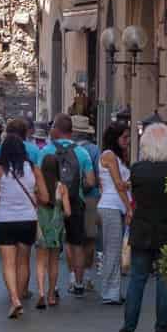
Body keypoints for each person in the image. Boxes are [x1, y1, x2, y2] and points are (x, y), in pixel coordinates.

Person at [120, 121, 167, 332]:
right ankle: (161, 328)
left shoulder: (137, 170)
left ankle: (129, 327)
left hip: (142, 230)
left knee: (137, 280)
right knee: (165, 281)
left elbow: (133, 196)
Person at [0, 133, 39, 317]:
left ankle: (14, 299)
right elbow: (40, 193)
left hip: (6, 219)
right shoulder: (32, 168)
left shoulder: (0, 171)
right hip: (28, 219)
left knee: (8, 263)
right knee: (24, 261)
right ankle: (21, 292)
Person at [48, 115, 99, 296]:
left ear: (56, 129)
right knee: (76, 243)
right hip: (76, 202)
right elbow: (91, 181)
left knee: (54, 245)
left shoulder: (47, 149)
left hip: (52, 203)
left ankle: (53, 286)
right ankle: (78, 283)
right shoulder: (82, 152)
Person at [94, 122, 133, 306]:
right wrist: (129, 207)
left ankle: (113, 290)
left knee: (115, 249)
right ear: (115, 138)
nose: (127, 140)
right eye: (124, 137)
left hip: (114, 205)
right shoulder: (109, 156)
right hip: (111, 205)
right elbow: (119, 184)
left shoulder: (117, 157)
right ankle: (109, 291)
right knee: (112, 249)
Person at [32, 152, 70, 308]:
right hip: (56, 228)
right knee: (54, 262)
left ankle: (40, 292)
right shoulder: (62, 187)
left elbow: (34, 204)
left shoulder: (37, 186)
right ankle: (51, 295)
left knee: (41, 262)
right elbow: (68, 211)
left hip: (41, 226)